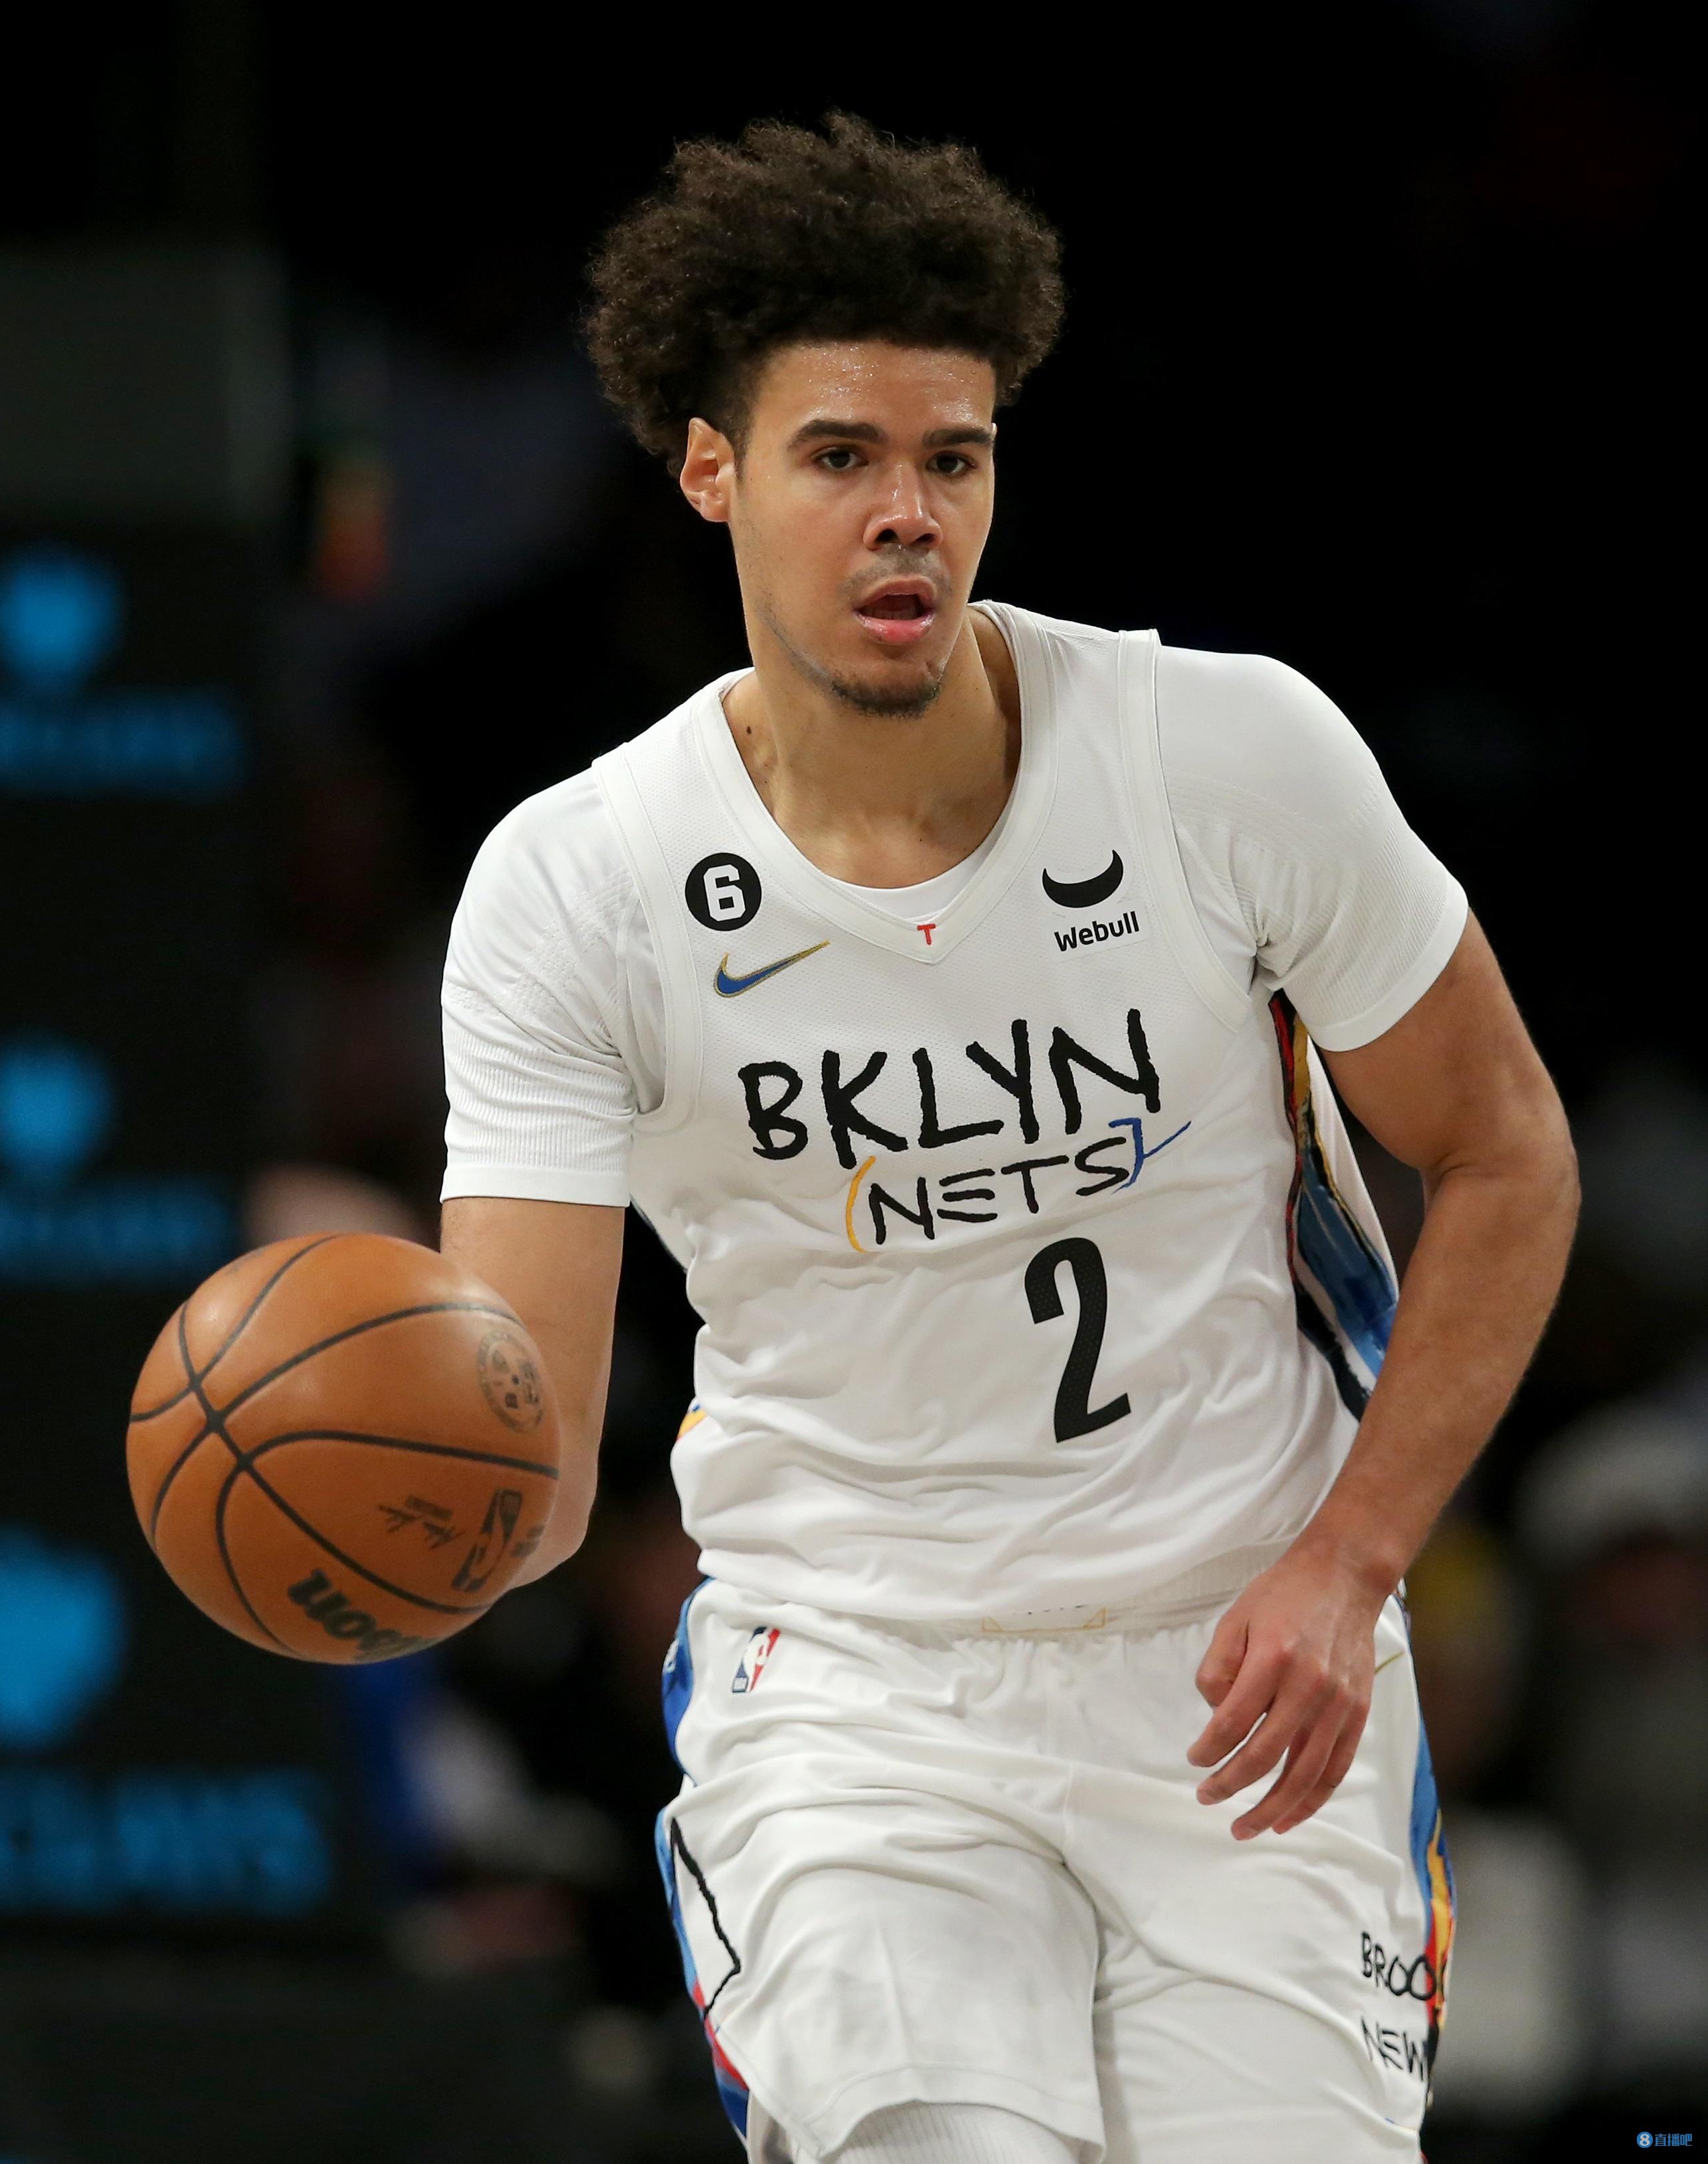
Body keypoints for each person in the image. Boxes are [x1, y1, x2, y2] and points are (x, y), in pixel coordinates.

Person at [438, 115, 1578, 2164]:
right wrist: (394, 1525)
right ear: (707, 471)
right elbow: (520, 1466)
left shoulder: (1221, 754)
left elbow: (1504, 1151)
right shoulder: (575, 884)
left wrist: (1351, 1558)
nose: (906, 512)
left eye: (948, 458)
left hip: (1244, 1656)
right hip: (857, 1687)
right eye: (837, 455)